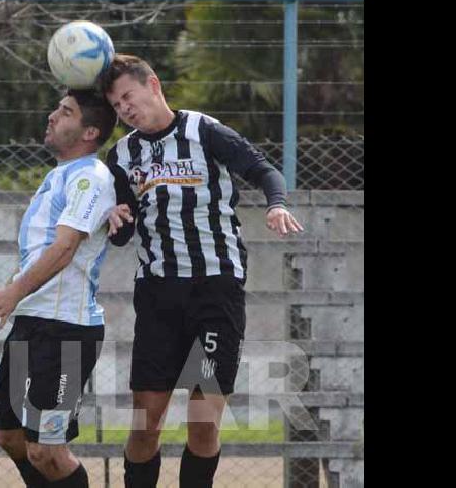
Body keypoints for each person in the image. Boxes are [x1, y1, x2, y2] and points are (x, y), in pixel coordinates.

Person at [98, 54, 304, 488]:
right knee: (144, 423)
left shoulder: (203, 131)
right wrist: (115, 219)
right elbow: (121, 234)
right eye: (117, 106)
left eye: (128, 97)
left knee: (203, 420)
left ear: (153, 84)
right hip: (158, 299)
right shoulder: (122, 155)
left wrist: (277, 204)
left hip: (216, 294)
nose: (125, 109)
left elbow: (263, 169)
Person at [0, 89, 124, 488]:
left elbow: (65, 248)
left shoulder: (92, 178)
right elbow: (35, 256)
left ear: (90, 131)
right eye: (56, 108)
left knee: (47, 450)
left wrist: (14, 294)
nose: (52, 116)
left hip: (66, 333)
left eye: (65, 112)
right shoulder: (56, 177)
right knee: (12, 438)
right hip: (31, 326)